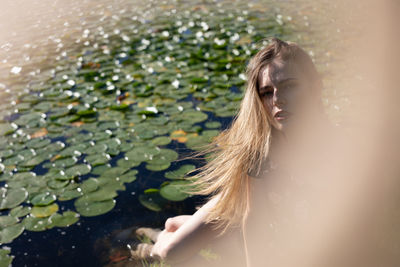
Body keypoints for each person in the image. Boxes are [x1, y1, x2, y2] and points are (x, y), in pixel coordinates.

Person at [131, 37, 329, 266]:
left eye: (289, 86)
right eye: (266, 92)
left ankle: (183, 228)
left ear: (316, 87)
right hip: (240, 200)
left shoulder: (341, 147)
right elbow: (252, 217)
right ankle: (157, 237)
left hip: (278, 208)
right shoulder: (260, 146)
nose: (278, 100)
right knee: (170, 252)